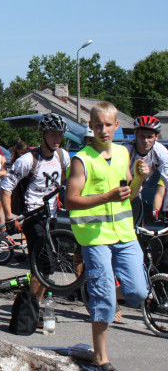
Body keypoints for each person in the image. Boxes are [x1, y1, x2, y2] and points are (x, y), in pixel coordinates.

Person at [65, 102, 149, 371]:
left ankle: (104, 294)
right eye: (98, 125)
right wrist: (106, 196)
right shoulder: (82, 159)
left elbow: (129, 195)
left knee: (138, 292)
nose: (103, 130)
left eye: (108, 125)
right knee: (103, 300)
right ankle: (101, 357)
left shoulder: (124, 154)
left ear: (116, 126)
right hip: (95, 237)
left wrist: (139, 179)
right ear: (91, 126)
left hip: (125, 234)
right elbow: (70, 201)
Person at [0, 113, 70, 304]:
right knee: (42, 265)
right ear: (43, 134)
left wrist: (59, 196)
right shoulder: (27, 160)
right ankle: (34, 305)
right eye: (53, 134)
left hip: (52, 215)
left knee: (45, 267)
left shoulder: (63, 156)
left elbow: (63, 176)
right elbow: (6, 188)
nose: (57, 139)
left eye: (60, 135)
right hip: (33, 216)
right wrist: (9, 218)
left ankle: (36, 303)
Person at [122, 115, 168, 220]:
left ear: (156, 137)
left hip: (138, 189)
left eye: (150, 137)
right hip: (122, 186)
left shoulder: (162, 153)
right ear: (135, 134)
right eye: (142, 136)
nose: (146, 141)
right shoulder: (125, 150)